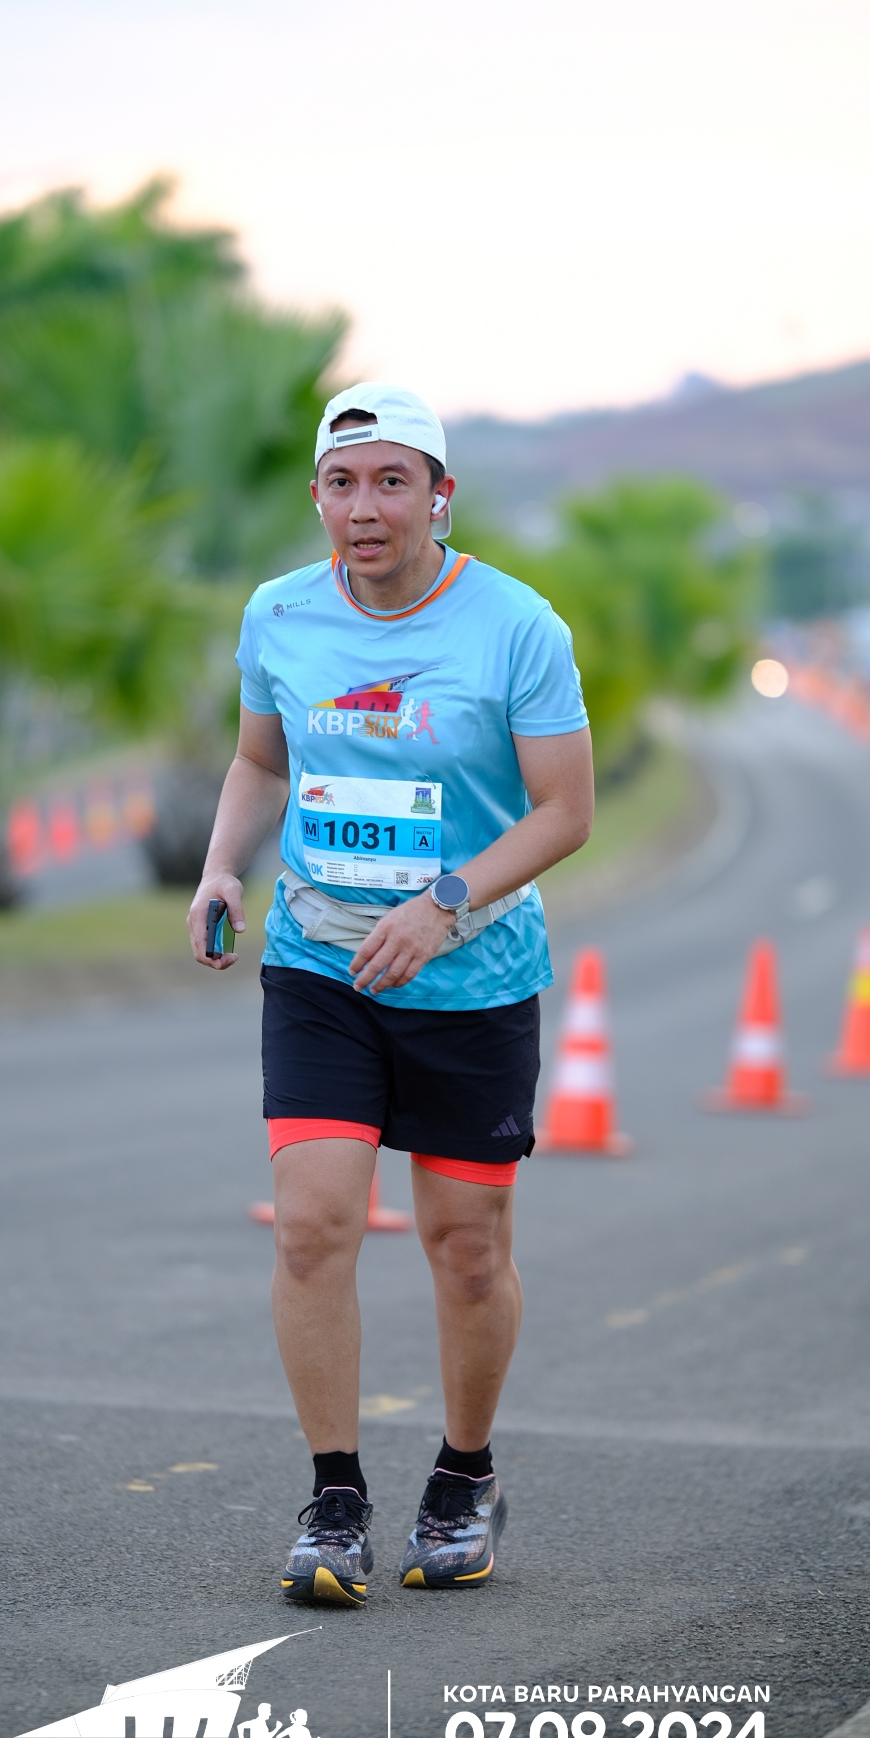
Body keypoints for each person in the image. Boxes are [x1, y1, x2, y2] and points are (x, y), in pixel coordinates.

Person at [187, 382, 593, 1604]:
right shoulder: (279, 614)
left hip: (472, 975)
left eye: (391, 482)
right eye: (341, 484)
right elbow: (259, 760)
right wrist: (221, 866)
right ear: (317, 497)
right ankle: (334, 1498)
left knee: (465, 1248)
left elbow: (565, 813)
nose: (363, 508)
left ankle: (464, 1475)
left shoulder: (516, 627)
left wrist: (444, 905)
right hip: (320, 965)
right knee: (312, 1225)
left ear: (438, 496)